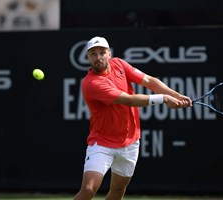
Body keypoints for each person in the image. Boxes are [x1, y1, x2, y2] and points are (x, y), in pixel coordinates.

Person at [73, 36, 192, 200]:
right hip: (102, 143)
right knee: (88, 189)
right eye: (93, 54)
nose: (98, 57)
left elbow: (149, 80)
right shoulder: (91, 83)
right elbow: (128, 100)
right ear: (88, 57)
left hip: (130, 143)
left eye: (102, 52)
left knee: (118, 191)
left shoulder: (119, 64)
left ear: (109, 54)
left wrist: (177, 96)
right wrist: (163, 98)